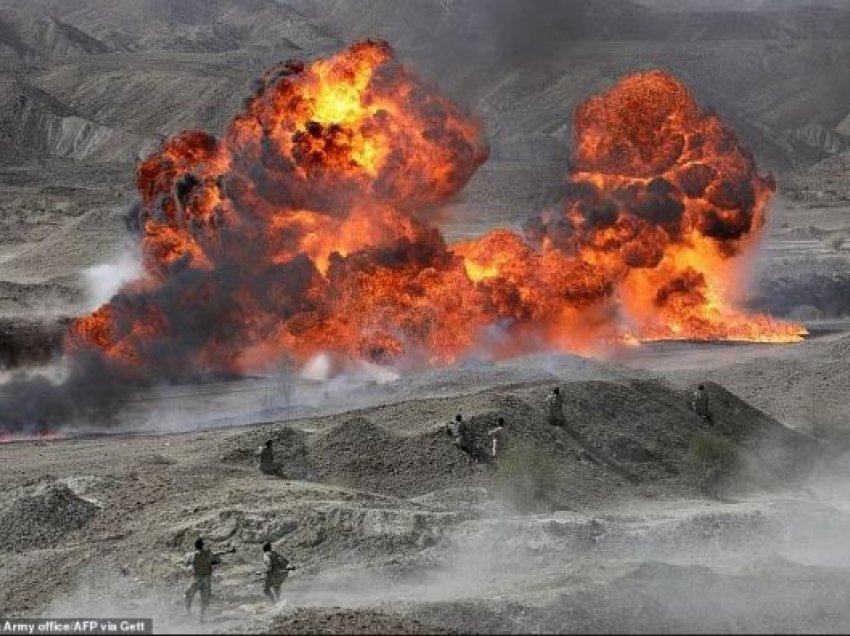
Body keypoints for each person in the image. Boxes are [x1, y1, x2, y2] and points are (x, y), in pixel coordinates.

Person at [184, 538, 220, 623]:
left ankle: (188, 613)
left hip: (195, 579)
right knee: (204, 599)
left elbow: (186, 563)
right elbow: (217, 561)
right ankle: (201, 618)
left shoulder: (191, 555)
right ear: (202, 545)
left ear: (195, 546)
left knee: (188, 595)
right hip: (206, 579)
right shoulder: (208, 554)